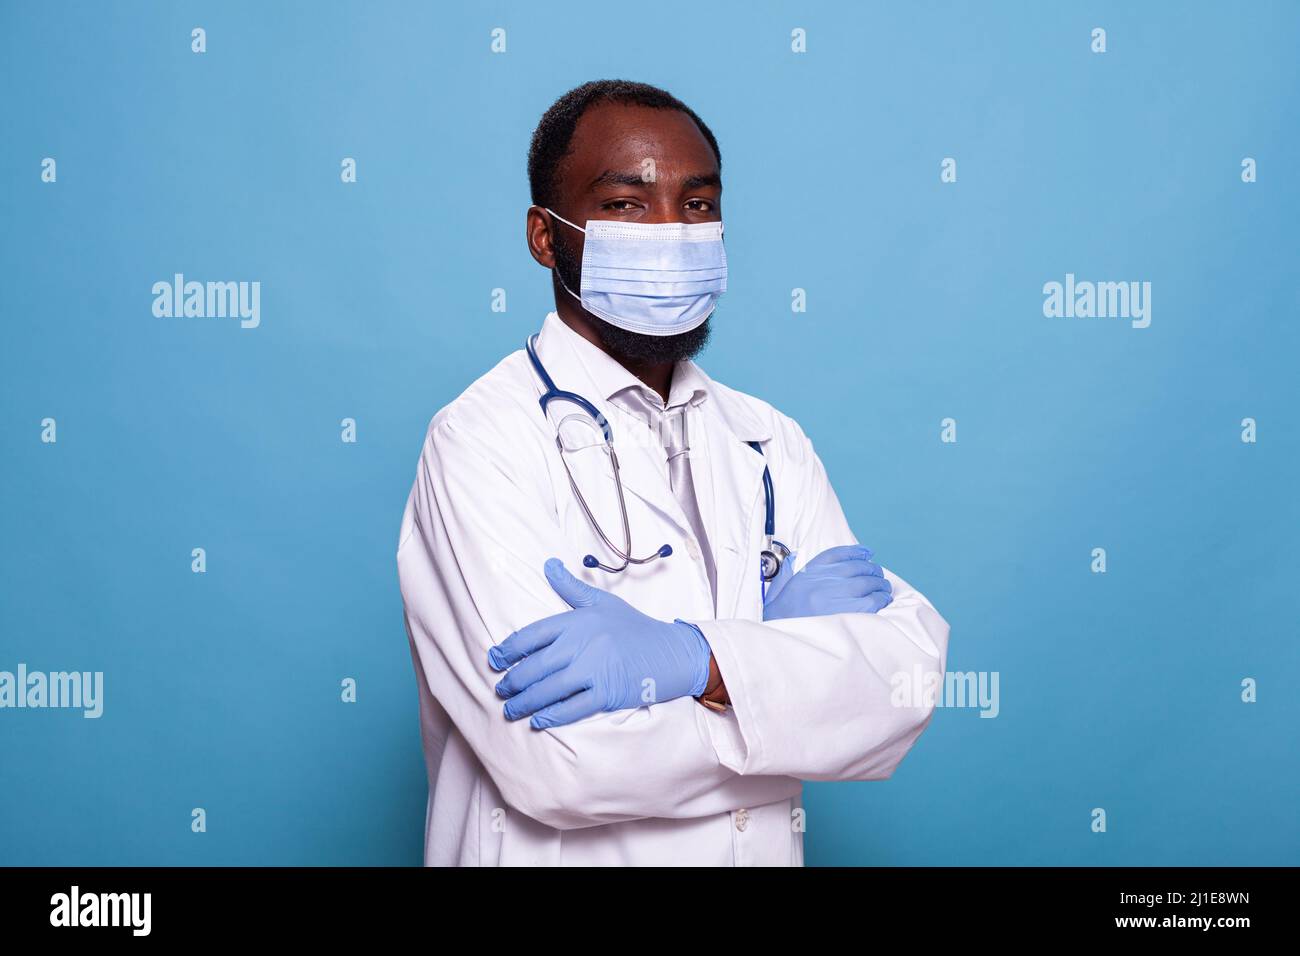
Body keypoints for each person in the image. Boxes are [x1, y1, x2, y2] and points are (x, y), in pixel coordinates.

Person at [397, 80, 949, 866]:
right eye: (625, 204)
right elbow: (560, 767)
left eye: (696, 206)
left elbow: (902, 689)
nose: (669, 231)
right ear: (544, 237)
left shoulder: (767, 441)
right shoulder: (481, 440)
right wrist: (783, 686)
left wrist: (698, 659)